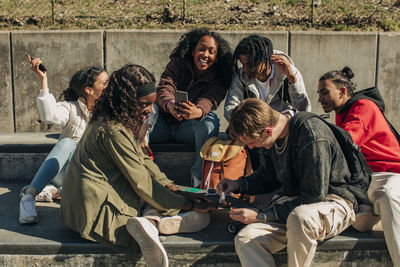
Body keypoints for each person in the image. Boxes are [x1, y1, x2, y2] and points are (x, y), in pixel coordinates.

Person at [60, 64, 217, 267]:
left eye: (151, 105)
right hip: (93, 209)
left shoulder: (115, 118)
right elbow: (142, 183)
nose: (149, 110)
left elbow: (141, 159)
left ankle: (151, 223)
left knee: (157, 194)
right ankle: (152, 223)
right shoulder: (112, 130)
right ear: (125, 101)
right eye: (143, 104)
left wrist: (173, 188)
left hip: (83, 202)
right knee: (147, 195)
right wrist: (189, 204)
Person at [216, 98, 369, 267]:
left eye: (251, 143)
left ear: (268, 131)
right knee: (246, 239)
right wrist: (238, 184)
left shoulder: (311, 132)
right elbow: (268, 177)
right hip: (292, 207)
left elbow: (313, 198)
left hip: (332, 202)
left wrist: (261, 215)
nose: (251, 148)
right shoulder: (272, 140)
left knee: (300, 217)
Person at [318, 66, 400, 266]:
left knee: (387, 195)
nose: (320, 99)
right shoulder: (342, 113)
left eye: (325, 92)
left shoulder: (363, 107)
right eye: (319, 94)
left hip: (389, 174)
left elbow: (344, 141)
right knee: (360, 223)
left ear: (342, 91)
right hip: (366, 180)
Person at [19, 56, 109, 224]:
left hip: (91, 175)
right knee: (68, 143)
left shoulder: (110, 112)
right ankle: (29, 196)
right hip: (66, 171)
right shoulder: (71, 108)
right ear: (89, 90)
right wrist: (43, 80)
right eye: (104, 83)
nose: (108, 87)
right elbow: (49, 115)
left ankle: (55, 192)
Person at [149, 28, 233, 187]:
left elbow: (211, 100)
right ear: (193, 49)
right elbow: (164, 88)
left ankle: (198, 180)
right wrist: (170, 105)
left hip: (188, 129)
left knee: (210, 120)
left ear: (216, 56)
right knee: (144, 113)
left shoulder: (220, 75)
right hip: (162, 125)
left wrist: (198, 112)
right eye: (202, 49)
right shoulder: (178, 63)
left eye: (211, 52)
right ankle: (142, 173)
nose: (205, 55)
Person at [223, 34, 311, 169]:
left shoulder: (286, 72)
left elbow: (303, 109)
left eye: (250, 64)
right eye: (243, 64)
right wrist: (250, 121)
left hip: (280, 126)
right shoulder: (241, 76)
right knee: (247, 135)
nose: (246, 69)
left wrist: (292, 80)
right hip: (253, 127)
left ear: (265, 59)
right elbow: (230, 108)